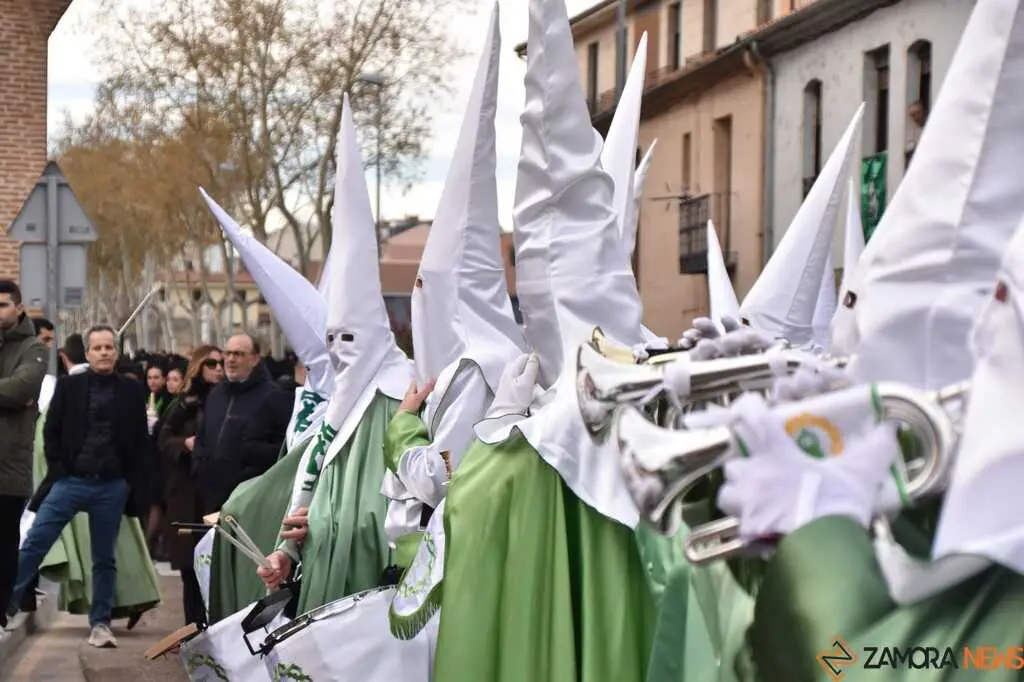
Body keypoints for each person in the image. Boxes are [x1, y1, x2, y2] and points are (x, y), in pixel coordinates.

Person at [8, 325, 151, 648]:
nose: (103, 352)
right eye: (97, 347)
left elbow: (141, 442)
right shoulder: (70, 387)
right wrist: (60, 468)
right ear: (86, 353)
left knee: (104, 558)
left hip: (111, 486)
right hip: (70, 481)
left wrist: (130, 483)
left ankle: (100, 624)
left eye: (109, 347)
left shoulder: (130, 391)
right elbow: (52, 432)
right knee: (34, 544)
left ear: (116, 352)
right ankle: (7, 607)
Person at [158, 346, 223, 626]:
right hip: (186, 494)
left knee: (216, 568)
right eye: (212, 363)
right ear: (199, 366)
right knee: (190, 569)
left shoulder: (227, 399)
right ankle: (191, 630)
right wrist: (184, 445)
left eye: (221, 363)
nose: (219, 368)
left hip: (217, 493)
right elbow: (162, 438)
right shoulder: (184, 403)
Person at [192, 333, 292, 515]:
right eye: (227, 353)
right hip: (211, 496)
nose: (230, 359)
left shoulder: (273, 396)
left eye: (238, 354)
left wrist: (248, 455)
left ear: (254, 360)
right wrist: (200, 467)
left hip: (250, 499)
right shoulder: (215, 395)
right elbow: (202, 436)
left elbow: (285, 449)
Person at [0, 281, 47, 630]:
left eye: (2, 305)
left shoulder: (33, 347)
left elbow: (21, 388)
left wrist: (15, 394)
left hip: (8, 466)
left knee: (4, 543)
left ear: (17, 308)